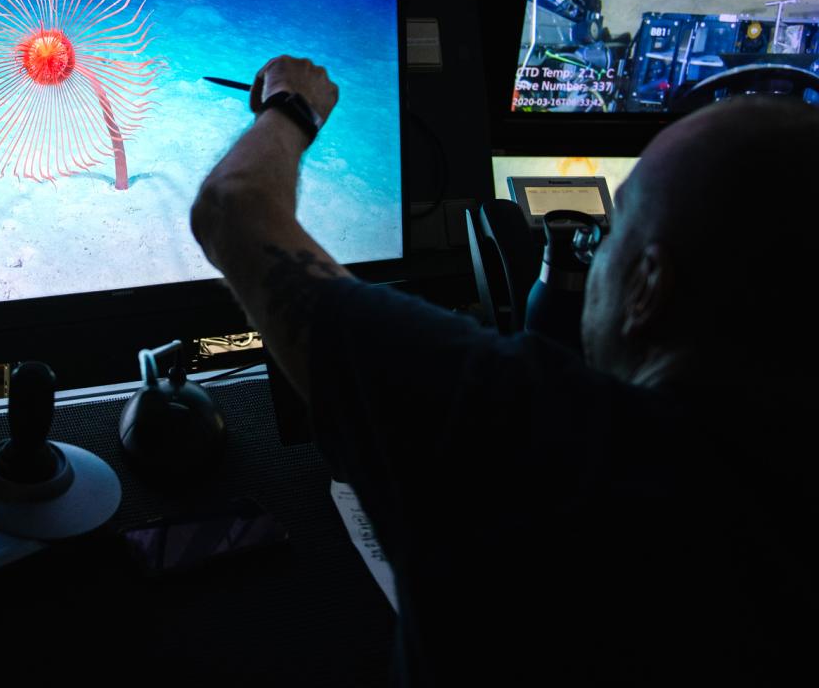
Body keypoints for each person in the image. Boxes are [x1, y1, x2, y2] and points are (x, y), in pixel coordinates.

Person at [191, 56, 818, 686]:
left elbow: (232, 207)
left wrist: (292, 107)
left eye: (610, 234)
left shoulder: (517, 428)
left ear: (648, 287)